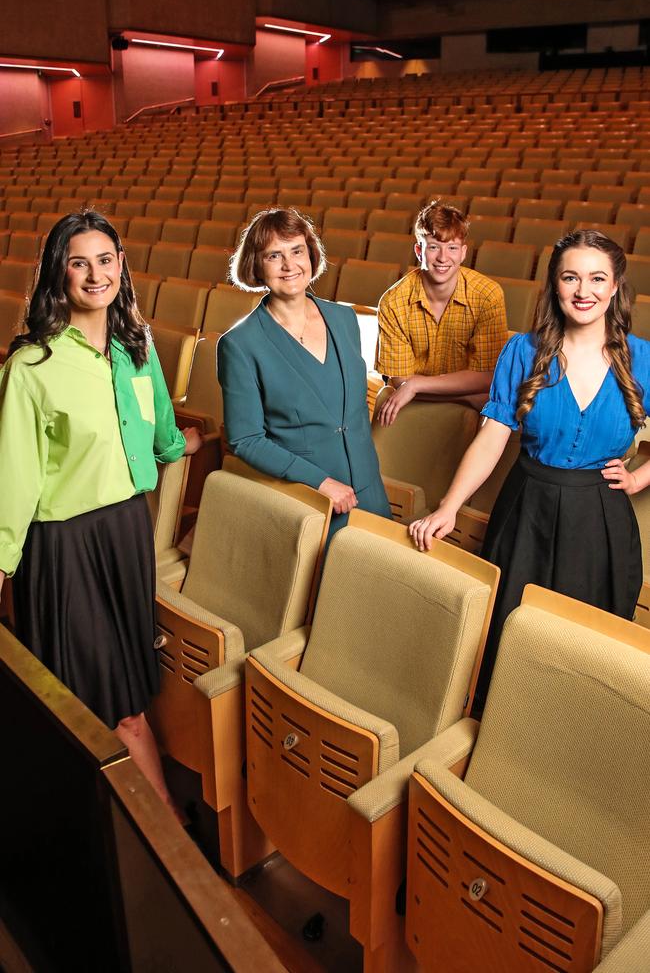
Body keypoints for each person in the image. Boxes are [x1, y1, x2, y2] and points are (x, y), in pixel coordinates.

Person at [0, 211, 202, 819]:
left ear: (121, 269)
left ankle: (131, 821)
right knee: (110, 703)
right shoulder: (31, 367)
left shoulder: (136, 352)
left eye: (106, 260)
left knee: (126, 687)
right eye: (79, 262)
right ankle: (164, 829)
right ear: (58, 273)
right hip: (63, 545)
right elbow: (15, 477)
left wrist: (181, 448)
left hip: (125, 534)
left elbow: (161, 434)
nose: (96, 274)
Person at [409, 229, 650, 705]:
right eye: (570, 278)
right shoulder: (523, 350)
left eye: (597, 278)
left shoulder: (643, 357)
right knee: (510, 631)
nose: (584, 291)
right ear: (554, 285)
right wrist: (449, 506)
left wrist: (640, 477)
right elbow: (493, 434)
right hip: (527, 508)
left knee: (587, 646)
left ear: (616, 285)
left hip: (600, 517)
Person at [217, 207, 391, 537]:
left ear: (310, 253)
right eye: (274, 256)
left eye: (297, 250)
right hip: (307, 498)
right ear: (257, 265)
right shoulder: (239, 344)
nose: (289, 265)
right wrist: (320, 482)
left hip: (369, 490)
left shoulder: (345, 319)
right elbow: (246, 440)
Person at [375, 200, 508, 426]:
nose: (443, 258)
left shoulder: (488, 294)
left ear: (463, 252)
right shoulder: (393, 301)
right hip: (422, 404)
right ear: (419, 251)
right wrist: (467, 395)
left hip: (419, 397)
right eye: (434, 246)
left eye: (452, 248)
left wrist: (416, 385)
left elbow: (488, 378)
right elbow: (398, 381)